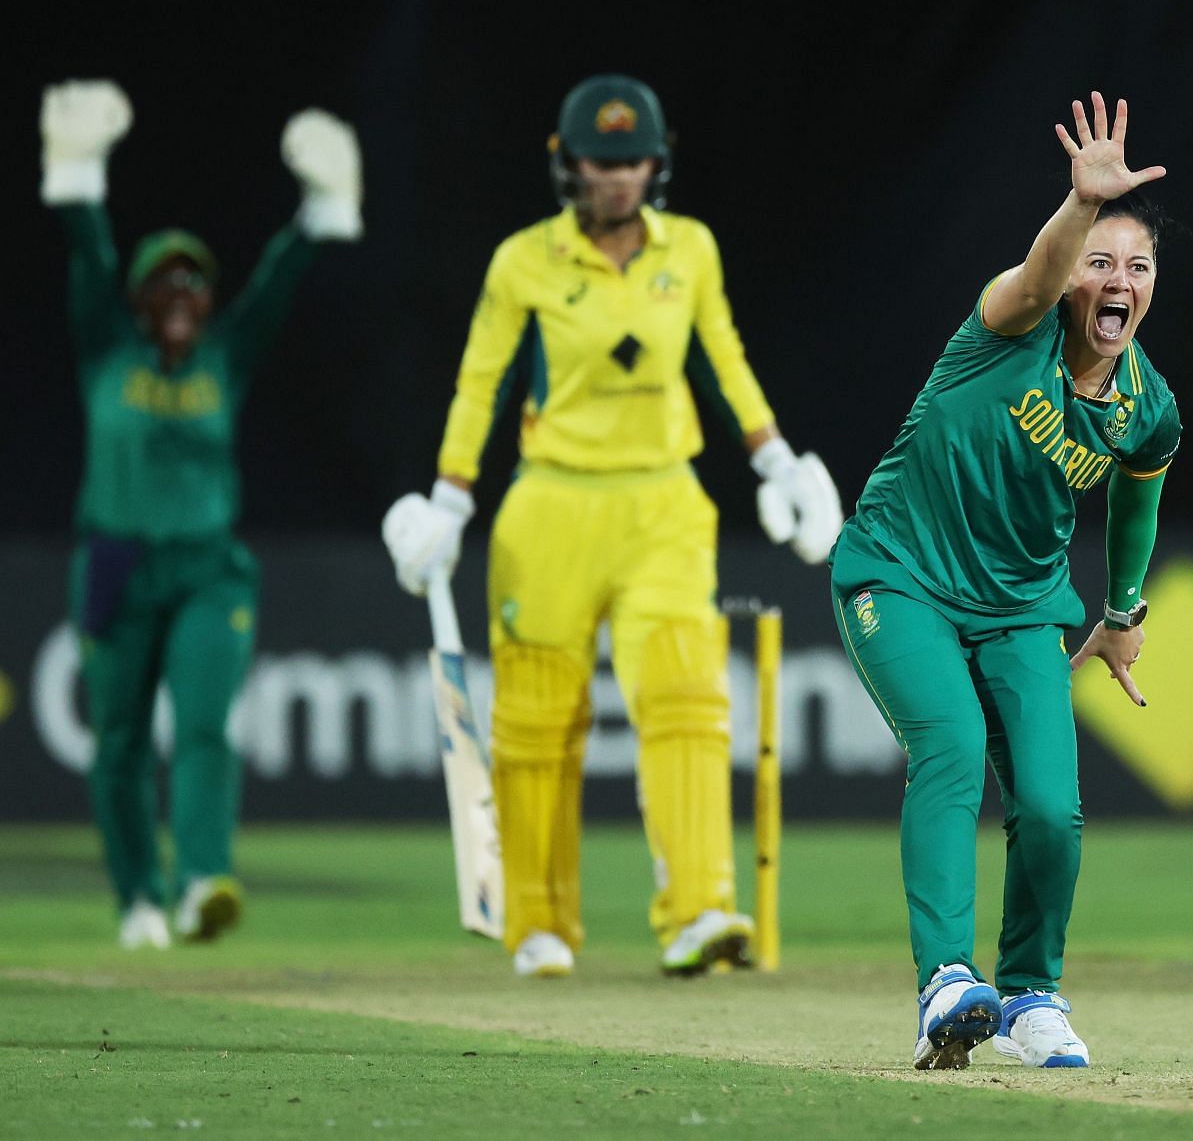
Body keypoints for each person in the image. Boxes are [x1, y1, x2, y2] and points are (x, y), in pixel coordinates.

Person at [382, 74, 842, 979]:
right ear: (567, 165)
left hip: (664, 503)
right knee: (537, 723)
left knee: (686, 699)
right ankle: (540, 923)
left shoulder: (693, 250)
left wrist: (777, 459)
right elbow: (482, 382)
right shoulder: (524, 262)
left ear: (656, 164)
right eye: (602, 163)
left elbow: (724, 357)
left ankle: (699, 910)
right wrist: (449, 496)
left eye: (633, 162)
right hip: (549, 505)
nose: (619, 179)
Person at [832, 92, 1181, 1069]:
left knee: (1051, 808)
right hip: (897, 572)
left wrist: (1120, 613)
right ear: (1074, 277)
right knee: (946, 744)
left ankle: (1029, 994)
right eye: (1100, 262)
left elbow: (1136, 504)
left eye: (1138, 267)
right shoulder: (1011, 320)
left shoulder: (1148, 408)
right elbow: (1036, 268)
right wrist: (1081, 206)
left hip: (1023, 604)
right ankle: (946, 980)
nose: (1118, 280)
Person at [42, 79, 363, 949]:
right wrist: (77, 178)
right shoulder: (105, 344)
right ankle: (137, 898)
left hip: (207, 567)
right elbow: (87, 257)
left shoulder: (228, 355)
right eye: (163, 281)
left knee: (206, 725)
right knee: (116, 745)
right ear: (138, 297)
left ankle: (201, 882)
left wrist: (317, 214)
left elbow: (275, 284)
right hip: (116, 563)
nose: (182, 292)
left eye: (194, 282)